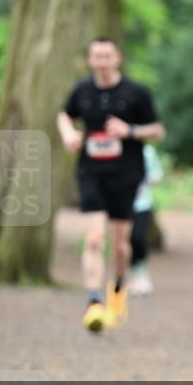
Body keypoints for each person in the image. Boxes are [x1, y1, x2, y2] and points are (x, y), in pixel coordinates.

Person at [57, 37, 165, 332]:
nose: (102, 62)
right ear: (90, 60)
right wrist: (68, 133)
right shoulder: (82, 91)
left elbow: (157, 130)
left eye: (107, 56)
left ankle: (118, 285)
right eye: (97, 57)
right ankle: (94, 302)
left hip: (126, 175)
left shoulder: (136, 93)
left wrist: (128, 130)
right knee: (93, 239)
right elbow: (65, 115)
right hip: (91, 173)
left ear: (117, 58)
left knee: (120, 245)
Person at [128, 143, 163, 296]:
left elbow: (157, 175)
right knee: (128, 240)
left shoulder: (148, 151)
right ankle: (131, 276)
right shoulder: (122, 150)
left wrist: (147, 178)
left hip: (143, 204)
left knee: (139, 238)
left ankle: (141, 273)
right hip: (124, 205)